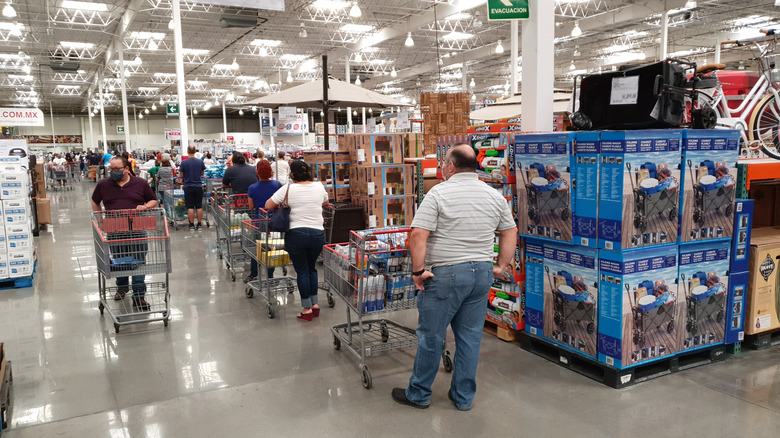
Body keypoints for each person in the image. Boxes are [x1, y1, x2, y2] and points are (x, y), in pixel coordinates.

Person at [391, 144, 517, 411]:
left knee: (432, 337)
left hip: (445, 275)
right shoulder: (494, 195)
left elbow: (418, 234)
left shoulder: (439, 193)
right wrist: (501, 266)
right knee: (470, 339)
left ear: (450, 166)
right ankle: (462, 398)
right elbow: (509, 232)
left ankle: (419, 394)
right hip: (481, 274)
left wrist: (417, 270)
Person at [91, 155, 158, 311]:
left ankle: (139, 296)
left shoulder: (140, 183)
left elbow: (153, 200)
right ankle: (122, 287)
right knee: (119, 260)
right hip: (114, 228)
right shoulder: (103, 184)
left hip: (137, 228)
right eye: (111, 169)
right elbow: (95, 201)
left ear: (127, 169)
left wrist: (145, 207)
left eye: (117, 169)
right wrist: (100, 219)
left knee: (139, 261)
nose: (113, 172)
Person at [265, 161, 328, 321]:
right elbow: (325, 202)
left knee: (302, 270)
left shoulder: (287, 189)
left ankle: (306, 309)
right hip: (317, 234)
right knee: (311, 268)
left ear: (292, 174)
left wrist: (285, 203)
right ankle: (315, 305)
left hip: (296, 234)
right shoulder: (319, 186)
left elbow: (268, 205)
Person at [245, 160, 282, 283]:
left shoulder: (252, 188)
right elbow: (281, 204)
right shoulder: (277, 185)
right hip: (275, 222)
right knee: (272, 247)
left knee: (257, 248)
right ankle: (270, 275)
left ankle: (254, 273)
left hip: (259, 221)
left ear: (257, 172)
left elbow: (251, 207)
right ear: (271, 171)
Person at [179, 146, 206, 231]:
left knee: (190, 206)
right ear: (195, 151)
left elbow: (181, 175)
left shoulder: (184, 162)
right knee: (199, 206)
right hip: (198, 186)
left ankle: (191, 225)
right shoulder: (200, 161)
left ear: (187, 151)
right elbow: (202, 173)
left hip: (188, 186)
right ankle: (199, 224)